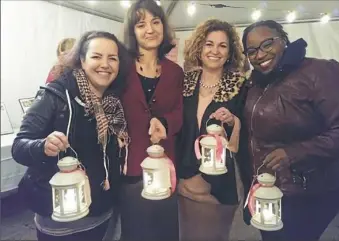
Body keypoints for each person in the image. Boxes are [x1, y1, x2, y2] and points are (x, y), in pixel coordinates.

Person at [12, 31, 131, 241]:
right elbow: (19, 146)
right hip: (61, 222)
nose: (105, 64)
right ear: (81, 61)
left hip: (103, 212)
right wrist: (42, 146)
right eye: (96, 56)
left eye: (112, 58)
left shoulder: (114, 102)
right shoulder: (56, 95)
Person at [241, 20, 339, 241]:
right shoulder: (257, 83)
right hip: (269, 188)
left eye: (267, 44)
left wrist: (294, 153)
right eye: (252, 51)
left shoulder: (319, 71)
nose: (260, 55)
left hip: (311, 191)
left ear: (283, 40)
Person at [176, 19, 246, 241]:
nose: (215, 51)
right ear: (199, 47)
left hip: (220, 182)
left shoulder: (240, 85)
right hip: (185, 176)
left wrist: (233, 120)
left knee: (214, 235)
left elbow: (250, 129)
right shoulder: (185, 82)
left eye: (222, 45)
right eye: (209, 44)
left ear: (230, 52)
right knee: (187, 234)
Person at [119, 0, 183, 240]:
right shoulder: (121, 68)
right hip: (130, 168)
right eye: (141, 24)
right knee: (135, 231)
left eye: (155, 22)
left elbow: (180, 112)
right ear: (132, 31)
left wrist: (165, 123)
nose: (150, 29)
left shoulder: (175, 72)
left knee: (165, 230)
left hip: (165, 167)